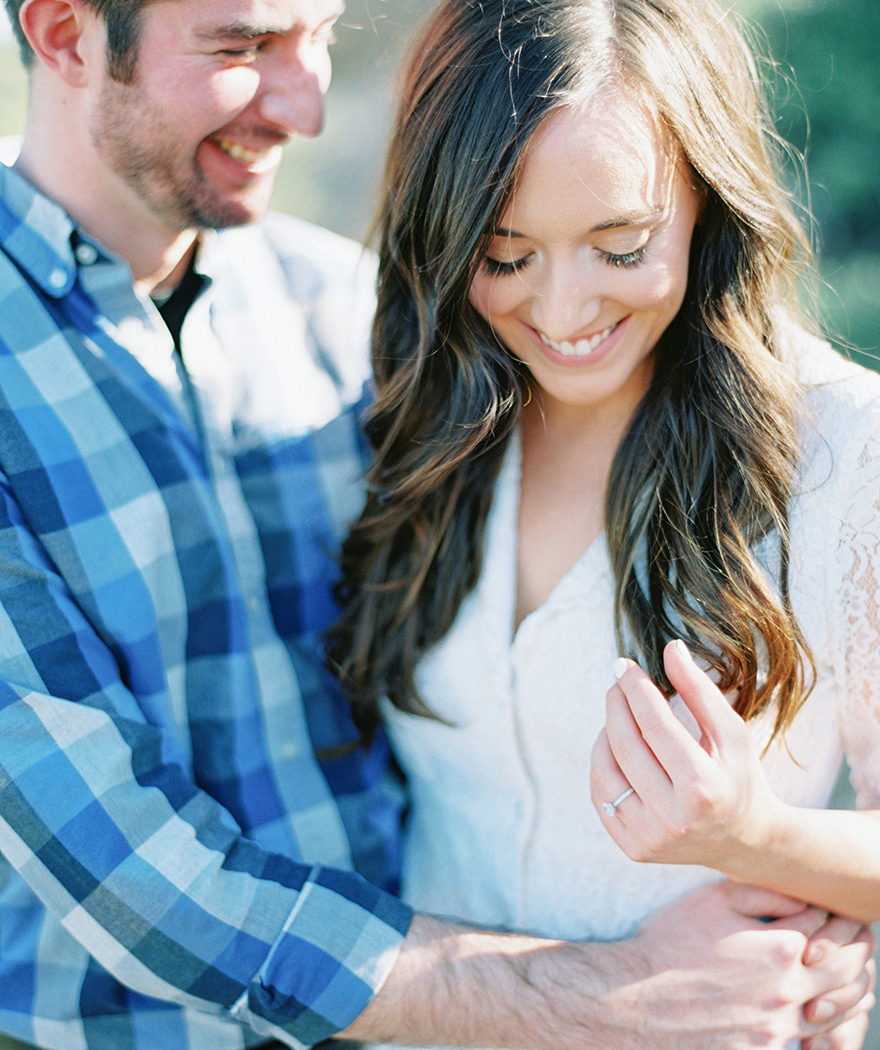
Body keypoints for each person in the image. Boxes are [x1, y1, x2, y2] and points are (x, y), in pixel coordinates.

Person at [0, 0, 873, 1048]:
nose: (308, 103)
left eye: (319, 35)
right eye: (241, 47)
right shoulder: (432, 375)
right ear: (62, 35)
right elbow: (137, 875)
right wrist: (618, 989)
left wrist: (776, 851)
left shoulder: (350, 320)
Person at [329, 0, 880, 1046]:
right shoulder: (422, 416)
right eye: (505, 254)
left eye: (619, 246)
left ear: (707, 201)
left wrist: (758, 836)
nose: (564, 310)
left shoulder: (847, 453)